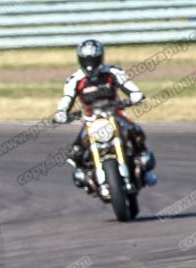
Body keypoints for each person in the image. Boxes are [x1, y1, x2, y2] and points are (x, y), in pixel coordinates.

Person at [53, 39, 158, 191]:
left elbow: (129, 86)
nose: (90, 63)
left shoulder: (113, 72)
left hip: (115, 114)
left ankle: (144, 166)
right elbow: (67, 98)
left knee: (136, 131)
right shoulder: (74, 79)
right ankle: (85, 174)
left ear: (100, 57)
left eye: (93, 59)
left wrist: (136, 96)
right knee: (75, 151)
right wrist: (61, 113)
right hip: (90, 120)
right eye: (86, 59)